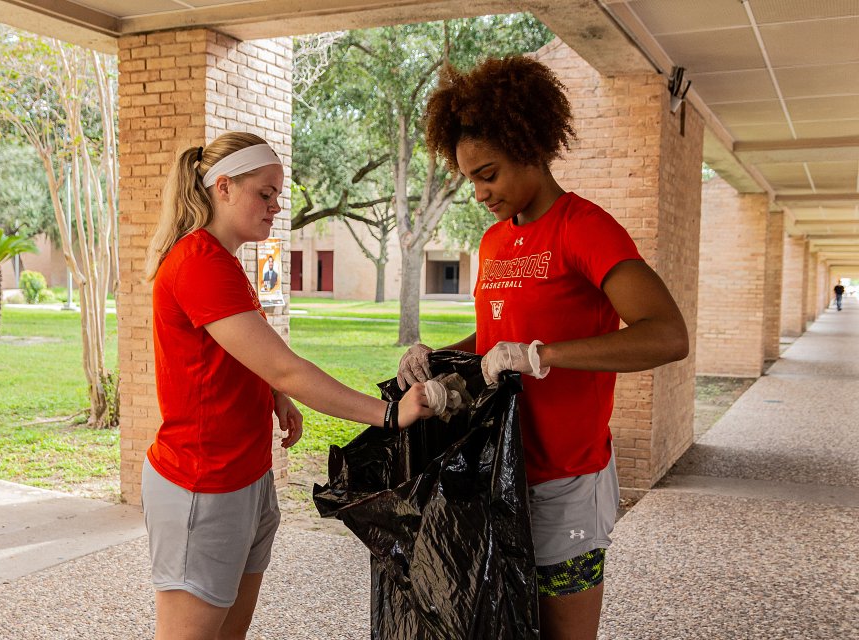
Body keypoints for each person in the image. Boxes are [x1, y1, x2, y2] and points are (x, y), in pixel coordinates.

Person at [398, 56, 690, 640]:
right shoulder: (494, 241)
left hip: (566, 479)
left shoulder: (584, 228)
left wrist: (543, 356)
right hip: (497, 472)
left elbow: (667, 334)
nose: (479, 193)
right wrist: (438, 358)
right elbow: (494, 339)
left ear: (530, 146)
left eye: (489, 174)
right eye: (470, 180)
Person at [143, 131, 433, 640]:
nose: (277, 206)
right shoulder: (198, 263)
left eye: (279, 194)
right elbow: (285, 366)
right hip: (202, 483)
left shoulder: (225, 260)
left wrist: (275, 397)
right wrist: (389, 414)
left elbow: (243, 355)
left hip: (246, 474)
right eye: (266, 193)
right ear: (224, 188)